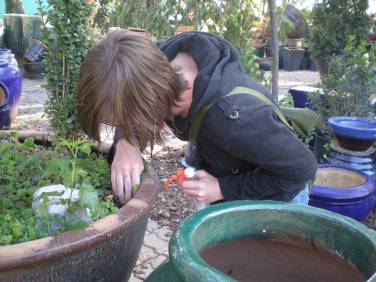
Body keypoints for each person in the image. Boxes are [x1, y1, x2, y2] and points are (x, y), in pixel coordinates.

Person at [77, 29, 317, 206]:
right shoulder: (155, 63)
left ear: (150, 101)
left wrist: (223, 188)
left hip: (275, 197)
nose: (124, 127)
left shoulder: (233, 120)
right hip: (232, 170)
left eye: (127, 122)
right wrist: (126, 143)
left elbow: (301, 170)